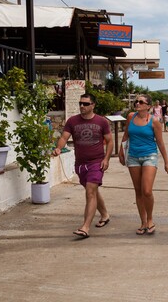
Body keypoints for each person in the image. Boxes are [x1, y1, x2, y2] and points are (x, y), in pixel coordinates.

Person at [53, 93, 113, 239]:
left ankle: (85, 227)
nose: (82, 106)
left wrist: (106, 159)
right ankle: (104, 214)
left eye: (86, 104)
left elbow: (110, 142)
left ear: (93, 105)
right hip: (80, 164)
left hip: (96, 162)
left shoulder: (102, 121)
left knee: (90, 192)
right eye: (81, 103)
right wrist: (59, 148)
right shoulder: (72, 121)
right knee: (92, 191)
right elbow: (64, 137)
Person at [119, 94, 168, 235]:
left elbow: (160, 142)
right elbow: (126, 135)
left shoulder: (154, 121)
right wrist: (121, 151)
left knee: (147, 191)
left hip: (149, 156)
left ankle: (150, 219)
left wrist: (167, 162)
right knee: (138, 191)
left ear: (148, 106)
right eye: (136, 101)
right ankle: (143, 222)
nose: (137, 103)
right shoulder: (131, 116)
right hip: (133, 157)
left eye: (141, 102)